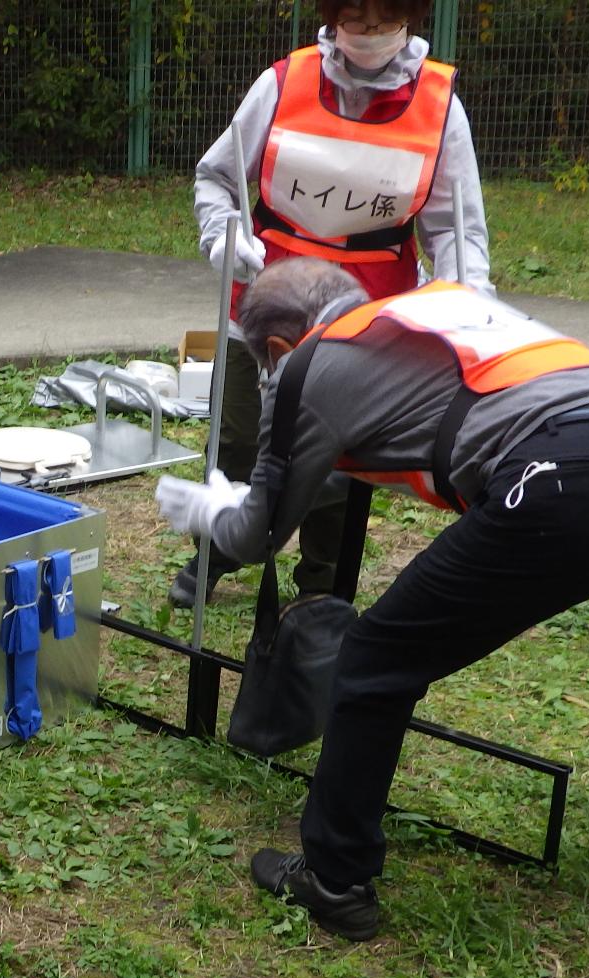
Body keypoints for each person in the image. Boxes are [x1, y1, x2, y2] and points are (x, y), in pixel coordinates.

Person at [155, 258, 589, 941]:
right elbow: (369, 455)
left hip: (574, 472)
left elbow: (256, 534)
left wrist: (213, 511)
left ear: (280, 349)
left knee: (377, 655)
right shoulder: (434, 310)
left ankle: (335, 879)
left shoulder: (307, 364)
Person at [172, 0, 493, 607]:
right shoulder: (282, 83)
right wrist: (224, 233)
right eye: (355, 18)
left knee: (344, 460)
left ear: (412, 18)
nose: (369, 34)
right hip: (265, 301)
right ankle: (217, 551)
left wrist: (465, 301)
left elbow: (455, 226)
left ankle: (321, 584)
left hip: (365, 318)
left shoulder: (438, 106)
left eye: (385, 19)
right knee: (240, 439)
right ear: (330, 17)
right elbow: (219, 176)